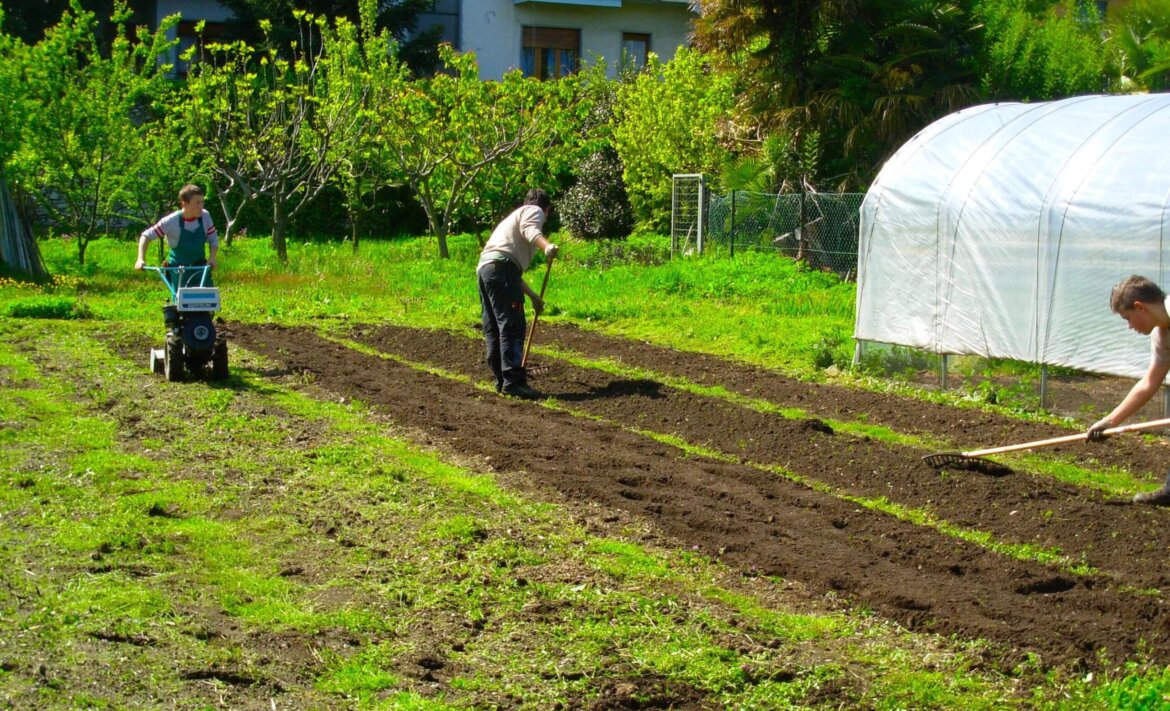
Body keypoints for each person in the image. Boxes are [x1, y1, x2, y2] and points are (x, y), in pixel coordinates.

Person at [1086, 275, 1170, 504]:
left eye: (1128, 318)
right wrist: (1111, 420)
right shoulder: (1162, 335)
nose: (1129, 326)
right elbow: (1149, 382)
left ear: (1140, 307)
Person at [477, 189, 558, 398]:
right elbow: (530, 229)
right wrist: (546, 246)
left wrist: (532, 296)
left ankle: (501, 379)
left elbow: (509, 271)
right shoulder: (533, 211)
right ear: (546, 210)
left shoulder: (511, 220)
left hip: (487, 270)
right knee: (512, 324)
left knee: (494, 326)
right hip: (500, 270)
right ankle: (513, 381)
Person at [135, 184, 219, 289]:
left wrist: (212, 258)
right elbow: (146, 236)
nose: (201, 206)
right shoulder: (171, 221)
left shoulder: (205, 216)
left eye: (202, 202)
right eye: (197, 203)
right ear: (184, 204)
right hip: (179, 270)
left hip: (200, 268)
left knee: (208, 300)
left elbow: (213, 239)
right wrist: (140, 259)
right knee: (182, 301)